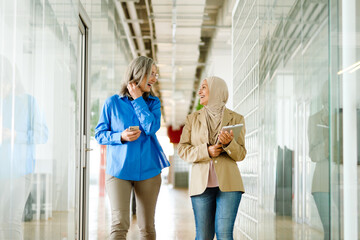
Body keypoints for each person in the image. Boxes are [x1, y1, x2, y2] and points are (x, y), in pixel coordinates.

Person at [95, 56, 170, 240]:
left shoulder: (153, 103)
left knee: (147, 227)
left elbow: (151, 127)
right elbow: (99, 134)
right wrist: (120, 136)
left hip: (149, 171)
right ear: (138, 73)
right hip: (118, 170)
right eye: (151, 74)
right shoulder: (112, 103)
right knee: (119, 224)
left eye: (155, 74)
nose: (154, 78)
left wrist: (138, 100)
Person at [177, 76, 247, 240]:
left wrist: (230, 144)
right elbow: (182, 149)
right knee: (203, 236)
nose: (199, 91)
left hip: (230, 185)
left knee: (224, 234)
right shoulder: (192, 119)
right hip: (201, 186)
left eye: (204, 87)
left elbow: (241, 154)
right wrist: (206, 151)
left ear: (217, 91)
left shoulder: (237, 118)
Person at [0, 56, 48, 240]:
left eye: (3, 83)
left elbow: (42, 135)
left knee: (10, 221)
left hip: (19, 171)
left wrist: (14, 135)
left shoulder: (28, 102)